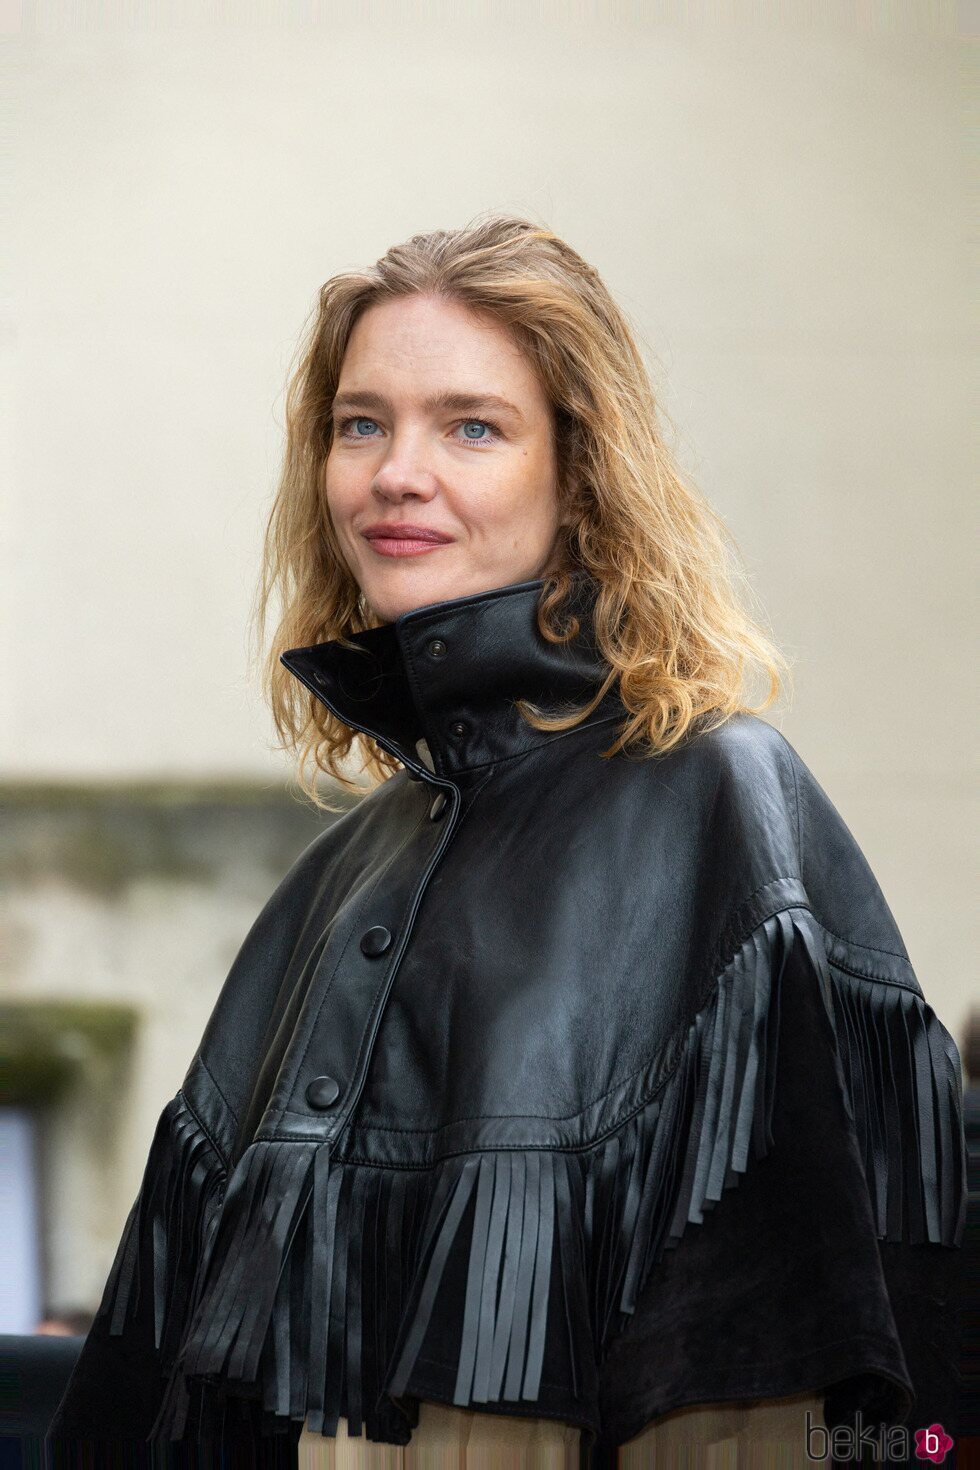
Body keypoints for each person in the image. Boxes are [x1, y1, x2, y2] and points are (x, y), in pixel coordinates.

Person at [46, 215, 966, 1468]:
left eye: (471, 426)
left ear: (578, 476)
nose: (393, 473)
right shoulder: (342, 872)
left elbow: (788, 1381)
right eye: (360, 423)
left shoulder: (714, 795)